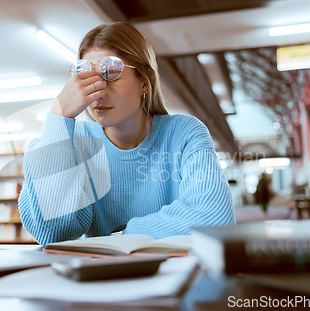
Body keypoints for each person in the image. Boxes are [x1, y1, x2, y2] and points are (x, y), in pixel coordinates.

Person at [18, 22, 235, 245]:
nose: (97, 92)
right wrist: (58, 117)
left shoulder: (184, 133)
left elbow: (215, 220)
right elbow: (51, 232)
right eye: (85, 77)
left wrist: (122, 236)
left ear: (144, 81)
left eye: (111, 74)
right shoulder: (74, 143)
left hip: (174, 275)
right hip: (101, 277)